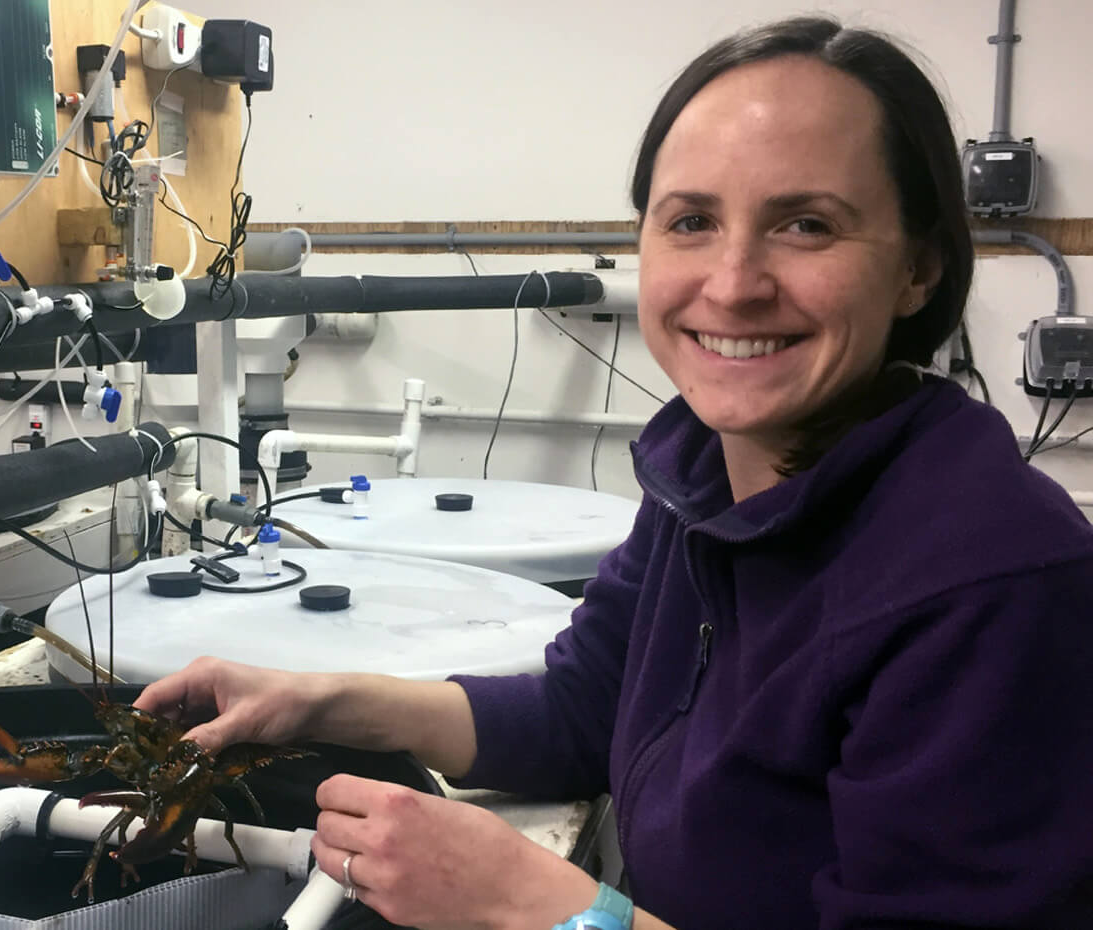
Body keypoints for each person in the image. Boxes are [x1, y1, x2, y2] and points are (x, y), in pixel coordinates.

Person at [135, 16, 1093, 930]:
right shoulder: (708, 478)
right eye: (691, 222)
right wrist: (324, 700)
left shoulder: (990, 585)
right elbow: (583, 708)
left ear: (919, 268)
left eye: (806, 224)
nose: (733, 282)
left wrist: (534, 905)